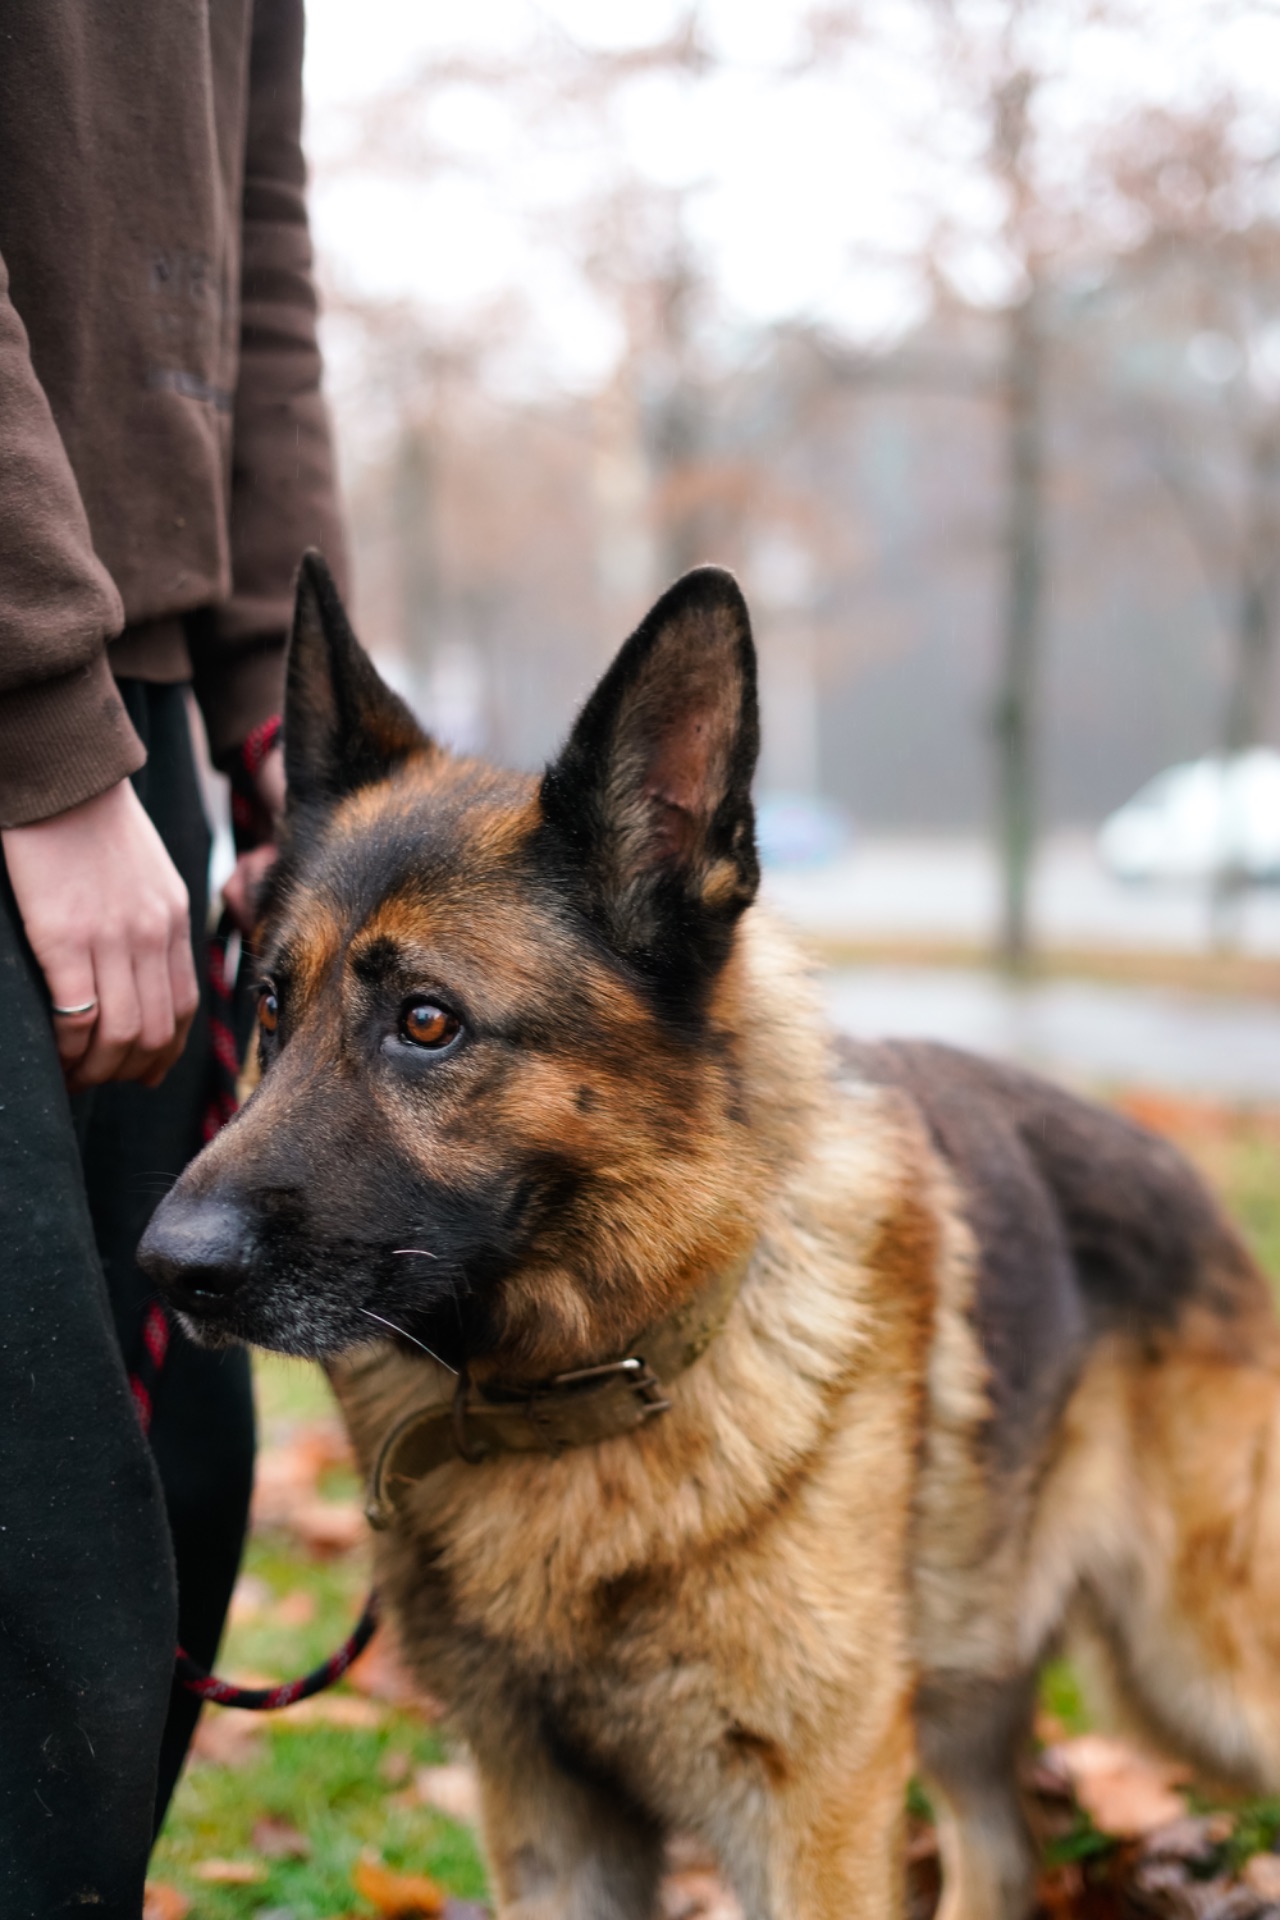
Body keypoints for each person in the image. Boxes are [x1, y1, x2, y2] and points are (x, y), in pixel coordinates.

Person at [0, 4, 347, 1912]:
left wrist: (292, 717)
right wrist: (43, 738)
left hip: (128, 712)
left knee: (170, 1493)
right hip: (43, 701)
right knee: (39, 1558)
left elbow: (251, 242)